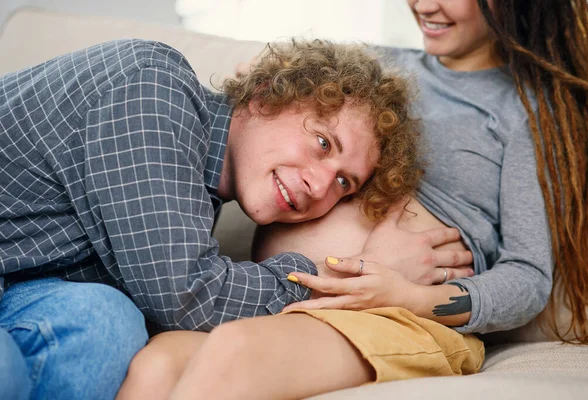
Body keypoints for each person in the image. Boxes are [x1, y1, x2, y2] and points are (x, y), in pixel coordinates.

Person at [117, 0, 588, 399]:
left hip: (402, 319)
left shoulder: (528, 110)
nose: (424, 5)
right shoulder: (379, 68)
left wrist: (413, 297)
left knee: (236, 351)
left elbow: (529, 277)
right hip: (281, 300)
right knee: (156, 362)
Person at [0, 38, 471, 399]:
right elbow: (189, 297)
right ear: (265, 95)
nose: (321, 185)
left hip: (21, 292)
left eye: (345, 183)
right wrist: (355, 275)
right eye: (323, 143)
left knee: (108, 325)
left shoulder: (195, 199)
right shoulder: (152, 88)